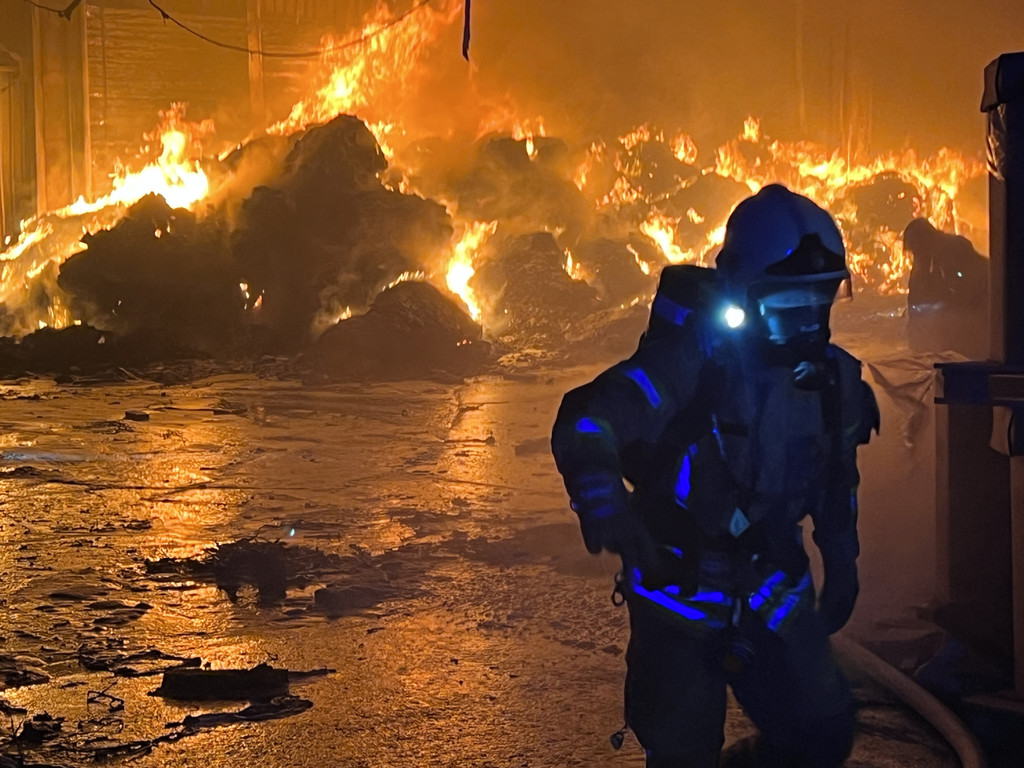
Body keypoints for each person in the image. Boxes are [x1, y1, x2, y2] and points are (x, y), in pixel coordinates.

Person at [550, 185, 879, 768]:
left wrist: (842, 558)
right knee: (682, 751)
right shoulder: (689, 364)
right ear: (744, 295)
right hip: (679, 596)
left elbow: (837, 480)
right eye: (788, 303)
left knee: (823, 733)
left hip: (773, 586)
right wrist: (604, 501)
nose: (807, 323)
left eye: (820, 299)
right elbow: (589, 419)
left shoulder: (836, 383)